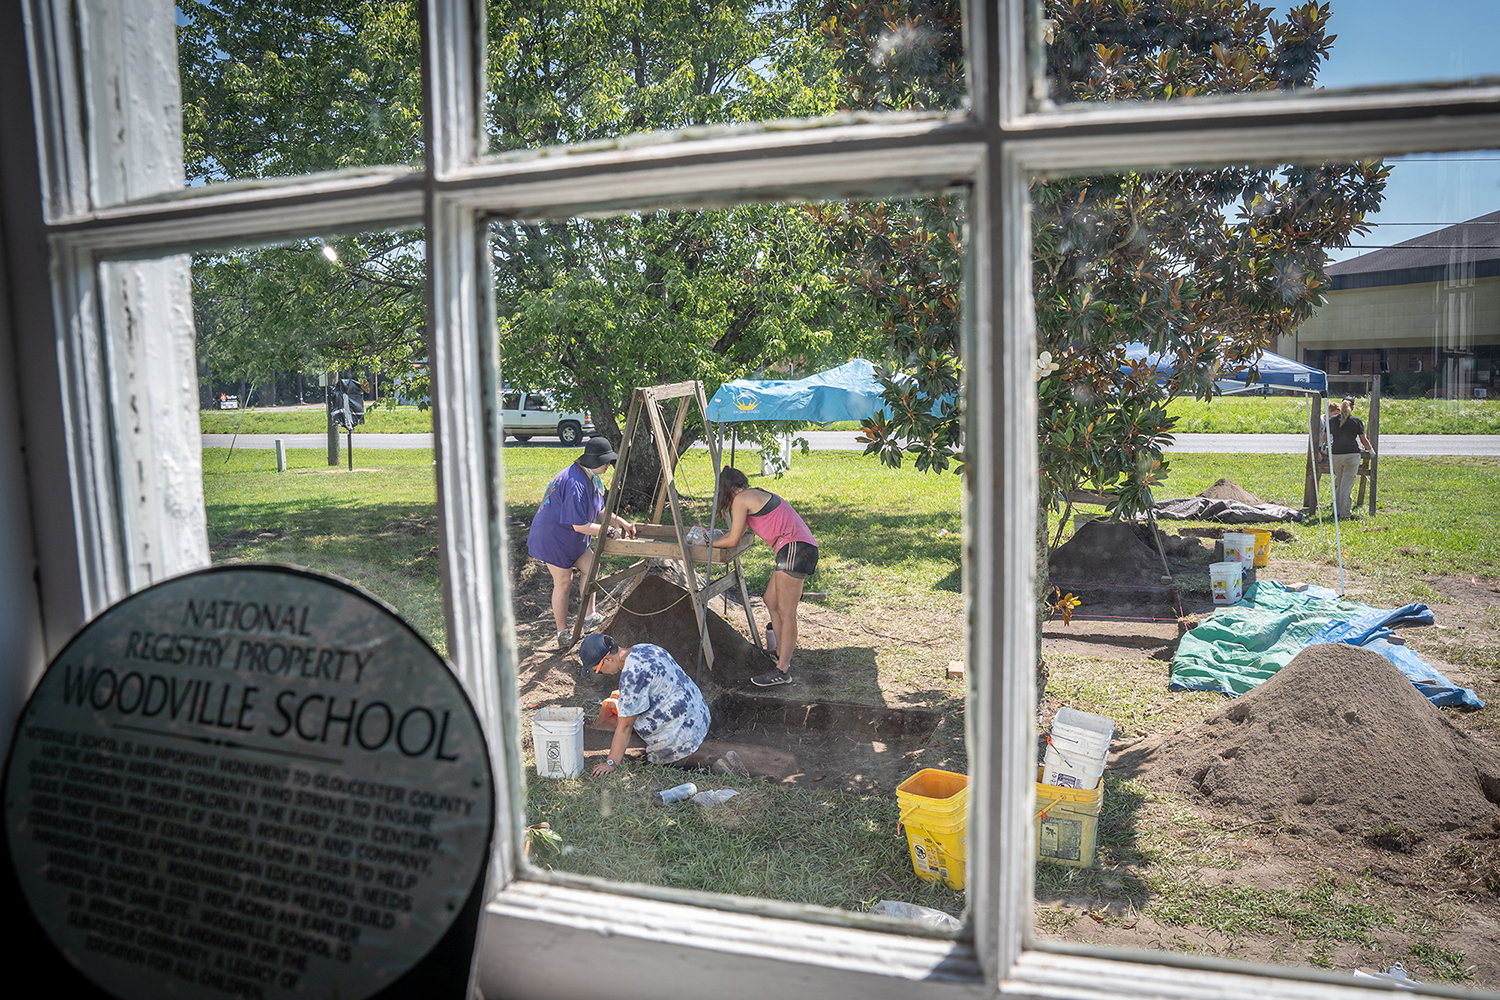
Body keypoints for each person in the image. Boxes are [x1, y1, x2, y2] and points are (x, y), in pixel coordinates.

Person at [710, 467, 817, 686]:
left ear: (726, 489)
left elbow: (733, 540)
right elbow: (733, 534)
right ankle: (779, 652)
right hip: (791, 547)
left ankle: (783, 670)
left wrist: (708, 544)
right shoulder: (752, 494)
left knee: (787, 613)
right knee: (770, 600)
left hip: (796, 548)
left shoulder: (741, 499)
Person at [527, 437, 638, 645]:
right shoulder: (575, 483)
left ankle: (589, 617)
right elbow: (580, 526)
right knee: (564, 581)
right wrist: (608, 532)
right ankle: (562, 633)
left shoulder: (592, 477)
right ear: (595, 460)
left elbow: (600, 511)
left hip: (572, 536)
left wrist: (621, 523)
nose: (608, 465)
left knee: (591, 568)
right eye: (606, 461)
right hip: (553, 537)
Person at [579, 634, 711, 778]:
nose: (600, 673)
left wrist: (611, 763)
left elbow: (624, 727)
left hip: (679, 742)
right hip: (700, 718)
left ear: (608, 659)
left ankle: (705, 766)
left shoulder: (632, 676)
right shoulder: (645, 648)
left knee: (660, 765)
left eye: (597, 670)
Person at [1328, 395, 1374, 519]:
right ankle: (1345, 514)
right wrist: (1371, 451)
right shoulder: (1356, 421)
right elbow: (1364, 440)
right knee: (1346, 486)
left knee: (1341, 483)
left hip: (1336, 455)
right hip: (1352, 455)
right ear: (1353, 407)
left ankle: (1336, 511)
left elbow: (1324, 438)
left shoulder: (1332, 421)